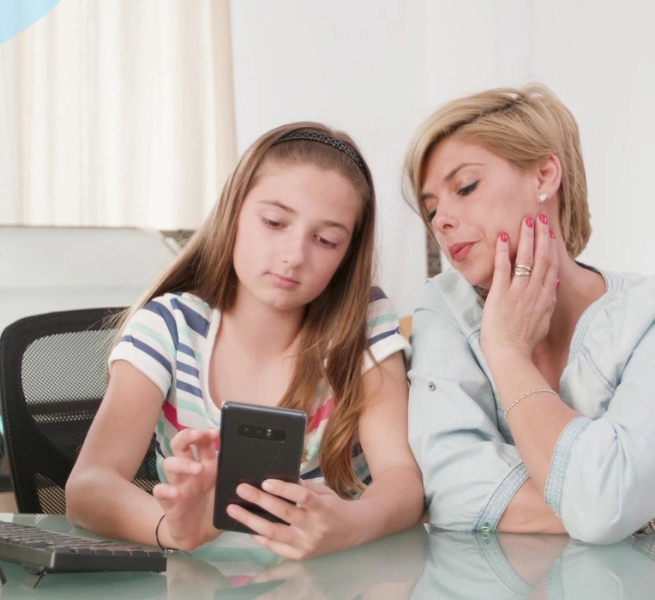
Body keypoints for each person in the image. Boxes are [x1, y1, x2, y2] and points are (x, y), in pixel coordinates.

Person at [403, 84, 655, 544]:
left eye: (466, 187)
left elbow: (604, 504)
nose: (441, 221)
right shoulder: (444, 306)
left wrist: (507, 353)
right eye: (431, 207)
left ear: (544, 176)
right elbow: (447, 490)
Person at [67, 122, 423, 560]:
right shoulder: (170, 326)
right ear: (234, 211)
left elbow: (403, 480)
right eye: (274, 222)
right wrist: (175, 530)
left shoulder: (363, 322)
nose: (294, 255)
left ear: (347, 254)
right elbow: (88, 487)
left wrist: (349, 525)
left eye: (326, 240)